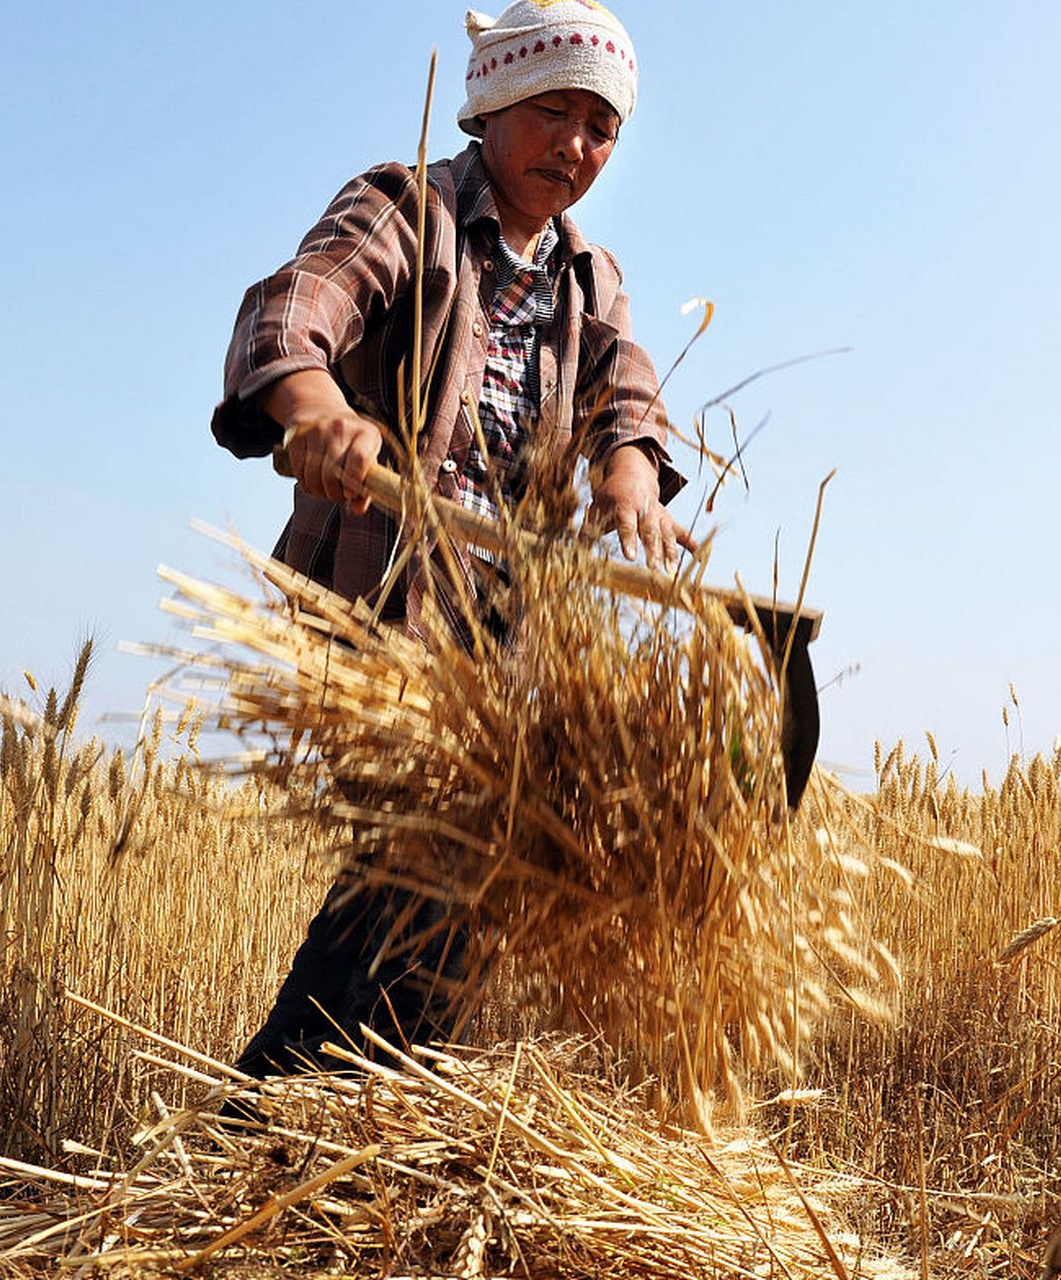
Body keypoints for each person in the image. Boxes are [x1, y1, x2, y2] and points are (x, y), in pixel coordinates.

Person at [210, 1, 692, 1077]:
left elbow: (629, 398)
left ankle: (293, 1131)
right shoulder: (408, 209)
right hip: (381, 609)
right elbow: (297, 311)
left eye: (600, 129)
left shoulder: (588, 279)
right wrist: (318, 411)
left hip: (501, 643)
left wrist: (627, 472)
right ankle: (296, 1129)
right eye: (551, 112)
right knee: (435, 877)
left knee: (435, 900)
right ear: (490, 106)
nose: (575, 145)